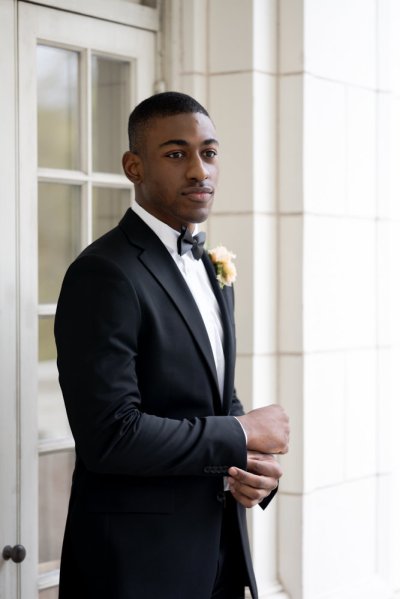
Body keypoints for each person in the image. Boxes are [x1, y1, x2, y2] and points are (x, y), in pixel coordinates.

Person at [55, 91, 289, 599]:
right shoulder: (104, 273)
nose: (199, 171)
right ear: (134, 166)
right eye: (176, 153)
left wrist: (250, 466)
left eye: (209, 152)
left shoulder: (212, 265)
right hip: (136, 567)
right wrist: (239, 431)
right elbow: (111, 436)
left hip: (220, 555)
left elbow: (214, 396)